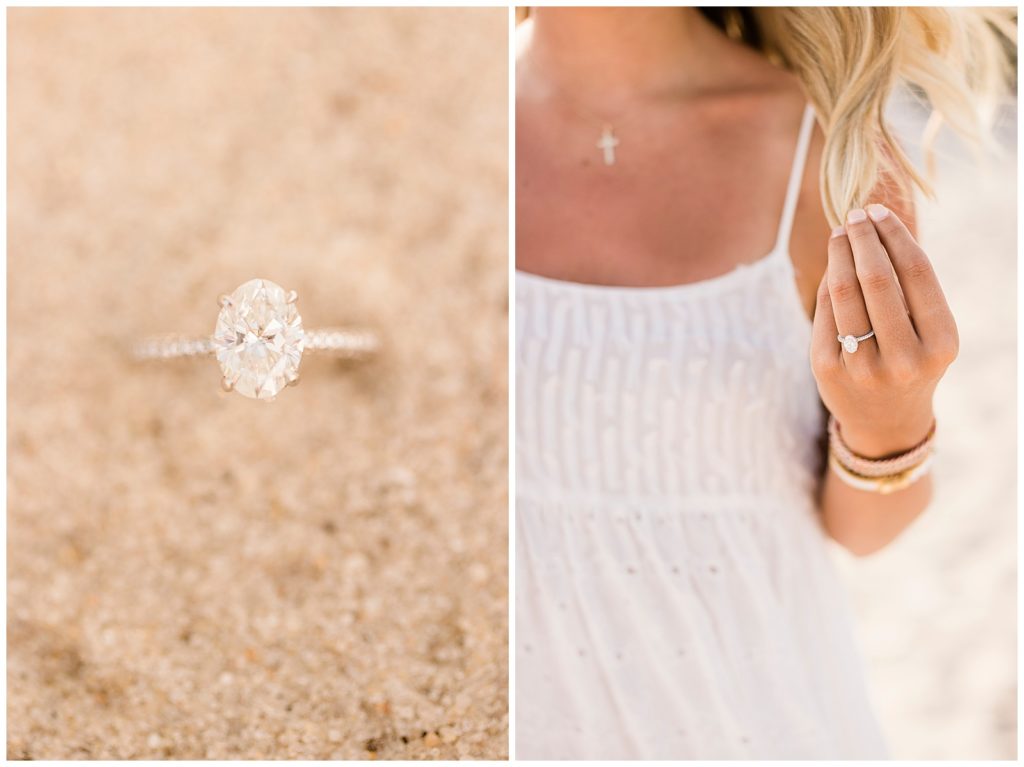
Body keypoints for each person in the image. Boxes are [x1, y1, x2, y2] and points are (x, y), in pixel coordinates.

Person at [515, 7, 1014, 759]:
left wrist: (890, 421)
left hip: (747, 720)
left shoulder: (826, 153)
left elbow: (865, 531)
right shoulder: (432, 128)